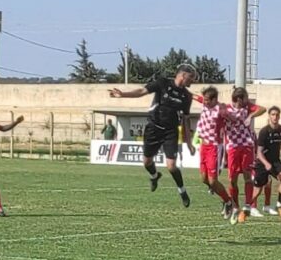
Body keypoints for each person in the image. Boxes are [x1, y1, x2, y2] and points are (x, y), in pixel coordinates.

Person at [109, 64, 197, 207]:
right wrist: (123, 94)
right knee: (147, 162)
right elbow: (142, 91)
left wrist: (189, 143)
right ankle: (155, 176)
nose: (192, 82)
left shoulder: (187, 96)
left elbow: (186, 121)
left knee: (171, 165)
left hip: (171, 131)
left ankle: (182, 191)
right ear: (182, 75)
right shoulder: (162, 83)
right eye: (191, 78)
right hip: (153, 128)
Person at [224, 87, 265, 223]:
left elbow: (263, 109)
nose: (247, 101)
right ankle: (235, 207)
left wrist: (251, 116)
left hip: (247, 145)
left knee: (248, 176)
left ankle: (247, 205)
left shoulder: (247, 107)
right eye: (245, 98)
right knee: (232, 180)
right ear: (239, 99)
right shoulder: (226, 109)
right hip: (233, 147)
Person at [193, 86, 234, 217]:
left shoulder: (220, 110)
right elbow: (193, 96)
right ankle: (223, 197)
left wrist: (228, 114)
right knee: (204, 179)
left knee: (212, 181)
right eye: (204, 100)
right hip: (203, 146)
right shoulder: (205, 104)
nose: (204, 102)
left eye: (207, 100)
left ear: (214, 99)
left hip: (215, 147)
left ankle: (228, 202)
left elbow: (232, 118)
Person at [252, 106, 281, 218]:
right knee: (258, 189)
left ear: (279, 116)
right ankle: (247, 207)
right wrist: (266, 163)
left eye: (277, 114)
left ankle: (279, 206)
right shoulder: (264, 131)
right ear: (269, 116)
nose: (275, 117)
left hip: (275, 161)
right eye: (273, 114)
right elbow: (259, 152)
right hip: (262, 162)